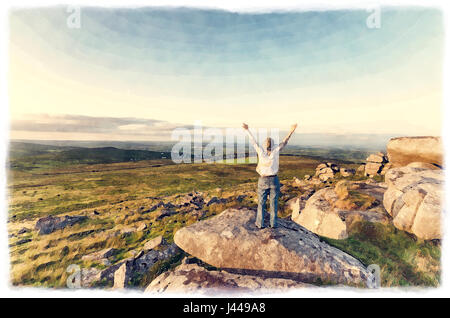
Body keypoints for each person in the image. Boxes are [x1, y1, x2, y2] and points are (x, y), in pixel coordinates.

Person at [242, 123, 298, 229]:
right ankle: (273, 224)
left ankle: (260, 224)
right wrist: (291, 131)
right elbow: (284, 141)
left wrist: (247, 130)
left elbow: (253, 141)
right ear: (273, 144)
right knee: (273, 203)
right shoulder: (276, 151)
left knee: (261, 203)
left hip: (263, 180)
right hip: (274, 180)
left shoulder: (260, 151)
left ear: (264, 144)